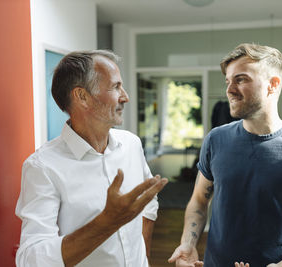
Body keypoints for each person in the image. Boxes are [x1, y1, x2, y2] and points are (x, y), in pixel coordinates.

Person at [168, 43, 282, 267]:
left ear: (272, 84)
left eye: (241, 79)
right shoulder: (216, 140)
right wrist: (188, 244)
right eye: (228, 81)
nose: (229, 89)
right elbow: (199, 200)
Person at [15, 50, 168, 267]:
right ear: (82, 97)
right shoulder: (42, 167)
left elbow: (148, 201)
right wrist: (105, 223)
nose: (125, 96)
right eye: (116, 87)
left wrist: (143, 256)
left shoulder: (132, 144)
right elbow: (30, 260)